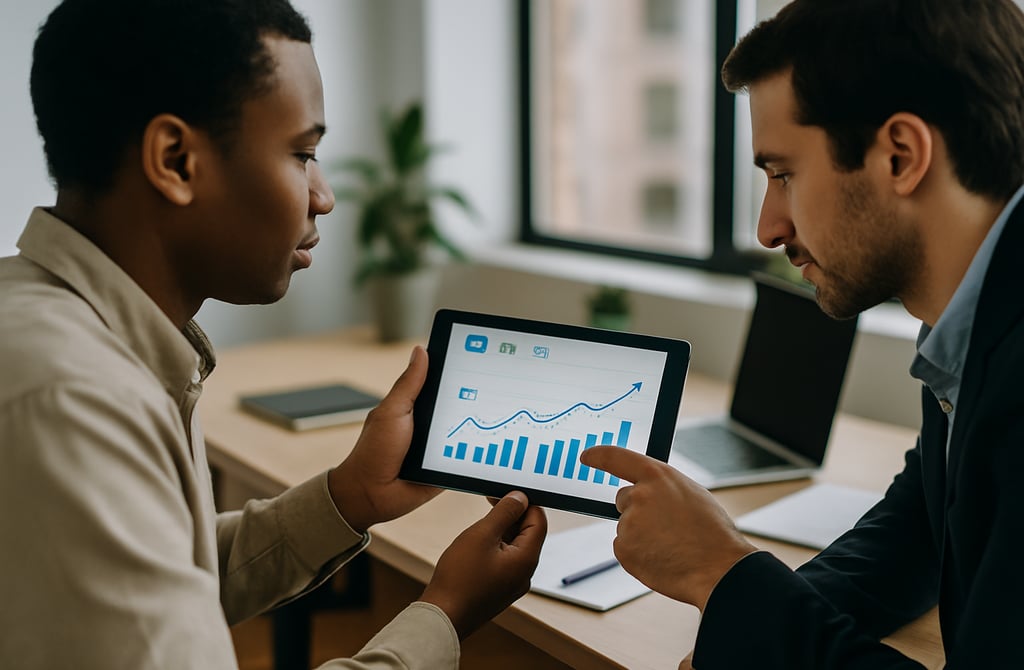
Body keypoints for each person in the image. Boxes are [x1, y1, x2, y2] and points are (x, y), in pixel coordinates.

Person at [0, 0, 547, 668]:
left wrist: (351, 496)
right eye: (303, 154)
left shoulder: (49, 324)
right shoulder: (70, 399)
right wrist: (447, 614)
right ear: (175, 160)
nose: (324, 196)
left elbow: (166, 577)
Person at [581, 0, 1024, 667]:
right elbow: (922, 527)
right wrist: (741, 626)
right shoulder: (972, 312)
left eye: (784, 175)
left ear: (901, 156)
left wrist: (721, 573)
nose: (768, 229)